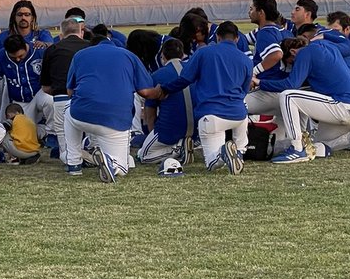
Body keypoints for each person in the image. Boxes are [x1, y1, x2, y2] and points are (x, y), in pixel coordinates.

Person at [158, 22, 251, 174]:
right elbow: (245, 89)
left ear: (218, 37)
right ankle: (237, 153)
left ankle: (224, 154)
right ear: (236, 39)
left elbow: (185, 79)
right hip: (239, 115)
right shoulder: (246, 59)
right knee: (240, 146)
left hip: (211, 114)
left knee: (213, 163)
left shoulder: (204, 53)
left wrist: (165, 88)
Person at [64, 39, 155, 182]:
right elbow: (145, 91)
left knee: (68, 109)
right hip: (115, 120)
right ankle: (110, 163)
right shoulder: (129, 55)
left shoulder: (80, 55)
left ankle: (74, 163)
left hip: (81, 114)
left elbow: (69, 93)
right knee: (122, 168)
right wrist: (162, 93)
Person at [271, 37, 350, 163]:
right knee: (317, 146)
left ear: (292, 51)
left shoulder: (304, 52)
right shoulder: (326, 45)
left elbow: (291, 84)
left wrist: (260, 82)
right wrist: (326, 35)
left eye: (292, 62)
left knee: (288, 96)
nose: (295, 65)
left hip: (342, 106)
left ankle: (296, 149)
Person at [39, 17, 91, 161]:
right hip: (87, 99)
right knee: (91, 135)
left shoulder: (52, 49)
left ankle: (72, 158)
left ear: (61, 34)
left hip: (61, 98)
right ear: (81, 32)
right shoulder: (90, 47)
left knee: (65, 143)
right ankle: (88, 154)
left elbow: (45, 87)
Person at [137, 38, 193, 169]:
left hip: (171, 127)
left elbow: (150, 114)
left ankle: (178, 150)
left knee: (143, 155)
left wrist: (152, 133)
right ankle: (183, 144)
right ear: (182, 54)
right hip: (196, 127)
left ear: (163, 55)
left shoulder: (157, 75)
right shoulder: (192, 69)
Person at [0, 34, 51, 131]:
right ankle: (42, 133)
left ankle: (52, 133)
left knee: (49, 101)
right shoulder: (2, 56)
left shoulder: (39, 51)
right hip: (19, 102)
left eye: (20, 56)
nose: (18, 59)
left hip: (39, 94)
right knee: (24, 132)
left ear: (26, 46)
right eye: (14, 57)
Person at [246, 0, 288, 120]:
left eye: (252, 9)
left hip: (268, 90)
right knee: (281, 137)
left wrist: (253, 72)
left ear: (261, 13)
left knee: (232, 105)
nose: (249, 12)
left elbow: (276, 55)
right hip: (283, 90)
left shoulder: (265, 33)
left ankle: (240, 140)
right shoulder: (282, 31)